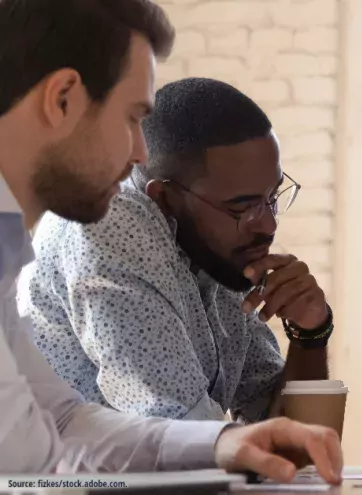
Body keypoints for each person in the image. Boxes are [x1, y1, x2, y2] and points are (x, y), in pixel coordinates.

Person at [0, 0, 341, 481]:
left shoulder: (6, 256)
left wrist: (225, 441)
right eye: (133, 117)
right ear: (63, 100)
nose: (141, 152)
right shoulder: (114, 221)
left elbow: (59, 422)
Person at [19, 77, 333, 423]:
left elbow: (296, 444)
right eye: (241, 207)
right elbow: (184, 436)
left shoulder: (220, 253)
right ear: (164, 198)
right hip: (52, 476)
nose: (268, 225)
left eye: (272, 197)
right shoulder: (107, 224)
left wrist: (311, 332)